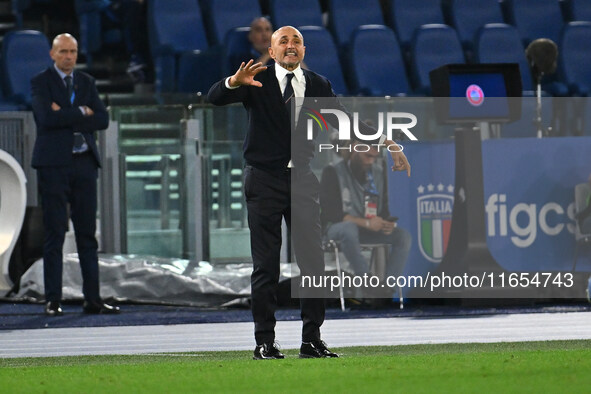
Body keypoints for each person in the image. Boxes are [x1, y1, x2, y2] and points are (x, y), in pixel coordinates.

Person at [208, 26, 410, 359]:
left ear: (304, 50)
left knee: (314, 265)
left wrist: (389, 142)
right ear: (272, 52)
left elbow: (348, 123)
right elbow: (214, 97)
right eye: (283, 42)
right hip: (263, 180)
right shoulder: (256, 79)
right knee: (266, 266)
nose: (290, 46)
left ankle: (311, 340)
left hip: (302, 180)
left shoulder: (318, 85)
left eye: (296, 41)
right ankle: (264, 341)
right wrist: (232, 81)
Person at [31, 33, 120, 316]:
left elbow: (102, 119)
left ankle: (92, 298)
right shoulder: (41, 82)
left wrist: (65, 113)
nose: (69, 57)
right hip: (53, 165)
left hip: (83, 164)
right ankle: (53, 299)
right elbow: (45, 118)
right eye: (63, 52)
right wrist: (81, 112)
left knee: (87, 235)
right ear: (52, 54)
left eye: (73, 51)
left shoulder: (86, 82)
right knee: (55, 232)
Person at [320, 142, 412, 298]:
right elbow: (331, 213)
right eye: (367, 156)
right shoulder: (332, 172)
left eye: (374, 157)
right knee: (348, 228)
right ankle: (367, 283)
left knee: (403, 236)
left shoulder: (378, 173)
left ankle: (386, 290)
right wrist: (367, 223)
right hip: (337, 229)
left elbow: (382, 210)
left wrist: (386, 222)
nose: (370, 161)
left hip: (367, 230)